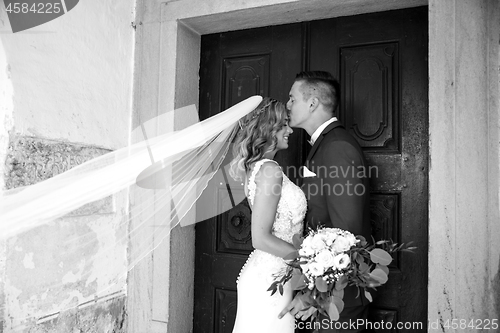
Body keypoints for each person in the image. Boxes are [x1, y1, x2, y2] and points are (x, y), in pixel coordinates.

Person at [279, 71, 372, 332]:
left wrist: (315, 294)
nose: (287, 105)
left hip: (339, 298)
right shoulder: (324, 144)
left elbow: (348, 232)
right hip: (326, 292)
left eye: (292, 98)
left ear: (312, 103)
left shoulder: (337, 147)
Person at [230, 97, 307, 333]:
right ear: (267, 128)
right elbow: (260, 238)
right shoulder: (270, 170)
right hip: (270, 281)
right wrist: (308, 262)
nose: (290, 130)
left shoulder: (257, 168)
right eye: (283, 124)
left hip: (274, 275)